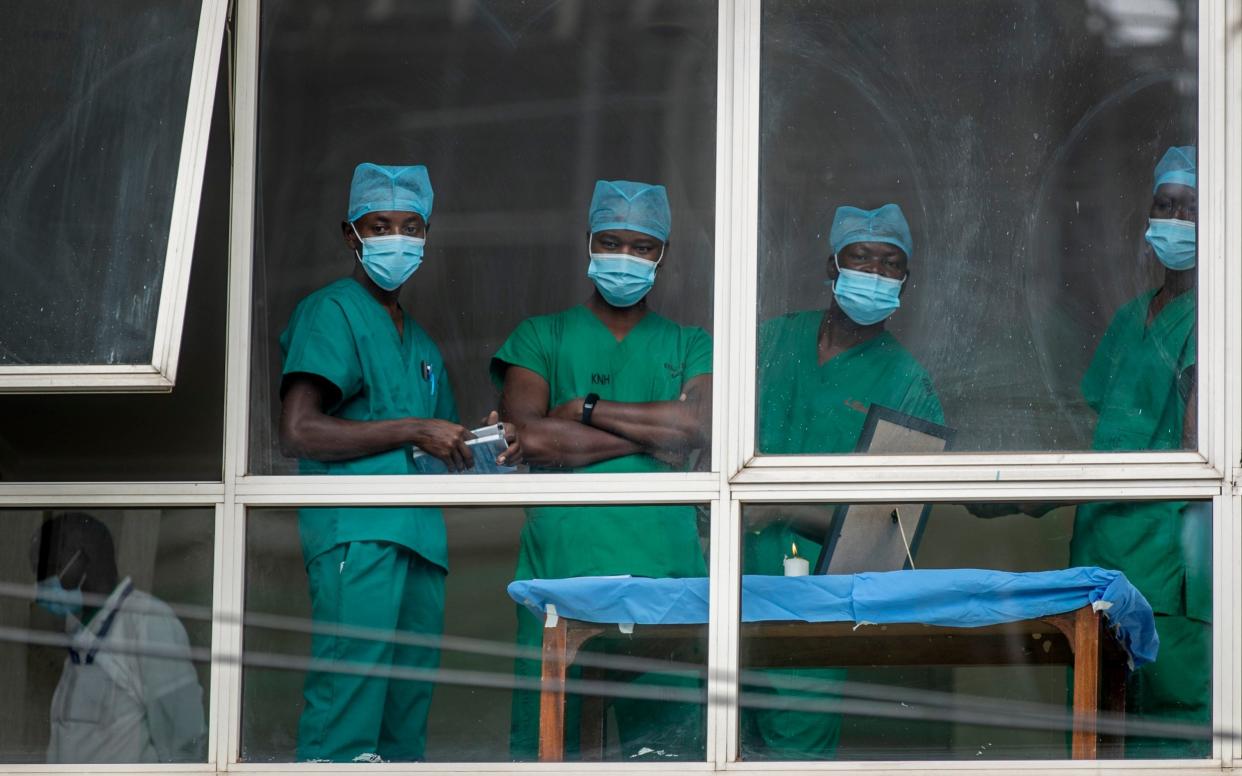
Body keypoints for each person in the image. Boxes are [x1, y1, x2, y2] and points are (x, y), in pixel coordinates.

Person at [970, 146, 1206, 757]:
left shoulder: (1218, 317)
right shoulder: (1132, 320)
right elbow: (1094, 443)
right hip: (1101, 564)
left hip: (1168, 568)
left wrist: (1056, 488)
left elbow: (1193, 453)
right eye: (1165, 205)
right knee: (1099, 738)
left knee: (1168, 742)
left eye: (1191, 207)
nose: (1175, 219)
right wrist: (1009, 489)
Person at [492, 179, 713, 760]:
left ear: (662, 255)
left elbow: (701, 427)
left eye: (642, 247)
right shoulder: (541, 336)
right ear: (588, 242)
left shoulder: (692, 343)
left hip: (664, 573)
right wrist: (647, 445)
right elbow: (528, 438)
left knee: (667, 754)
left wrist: (587, 412)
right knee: (553, 748)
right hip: (564, 569)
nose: (626, 257)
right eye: (612, 242)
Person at [278, 163, 484, 763]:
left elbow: (438, 451)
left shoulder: (419, 343)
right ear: (352, 236)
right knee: (348, 712)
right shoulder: (331, 311)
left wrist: (494, 445)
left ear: (426, 237)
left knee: (402, 729)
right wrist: (417, 427)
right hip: (359, 534)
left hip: (420, 541)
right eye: (380, 225)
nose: (397, 238)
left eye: (411, 227)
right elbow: (298, 430)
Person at [745, 203, 943, 759]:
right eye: (860, 258)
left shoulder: (907, 383)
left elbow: (895, 528)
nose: (874, 274)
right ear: (831, 266)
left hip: (816, 607)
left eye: (890, 264)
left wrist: (779, 509)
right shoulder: (767, 342)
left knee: (793, 754)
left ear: (906, 280)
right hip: (725, 583)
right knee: (706, 745)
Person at [30, 512, 205, 764]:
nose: (40, 586)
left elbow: (183, 743)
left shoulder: (148, 621)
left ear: (82, 559)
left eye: (46, 570)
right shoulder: (79, 636)